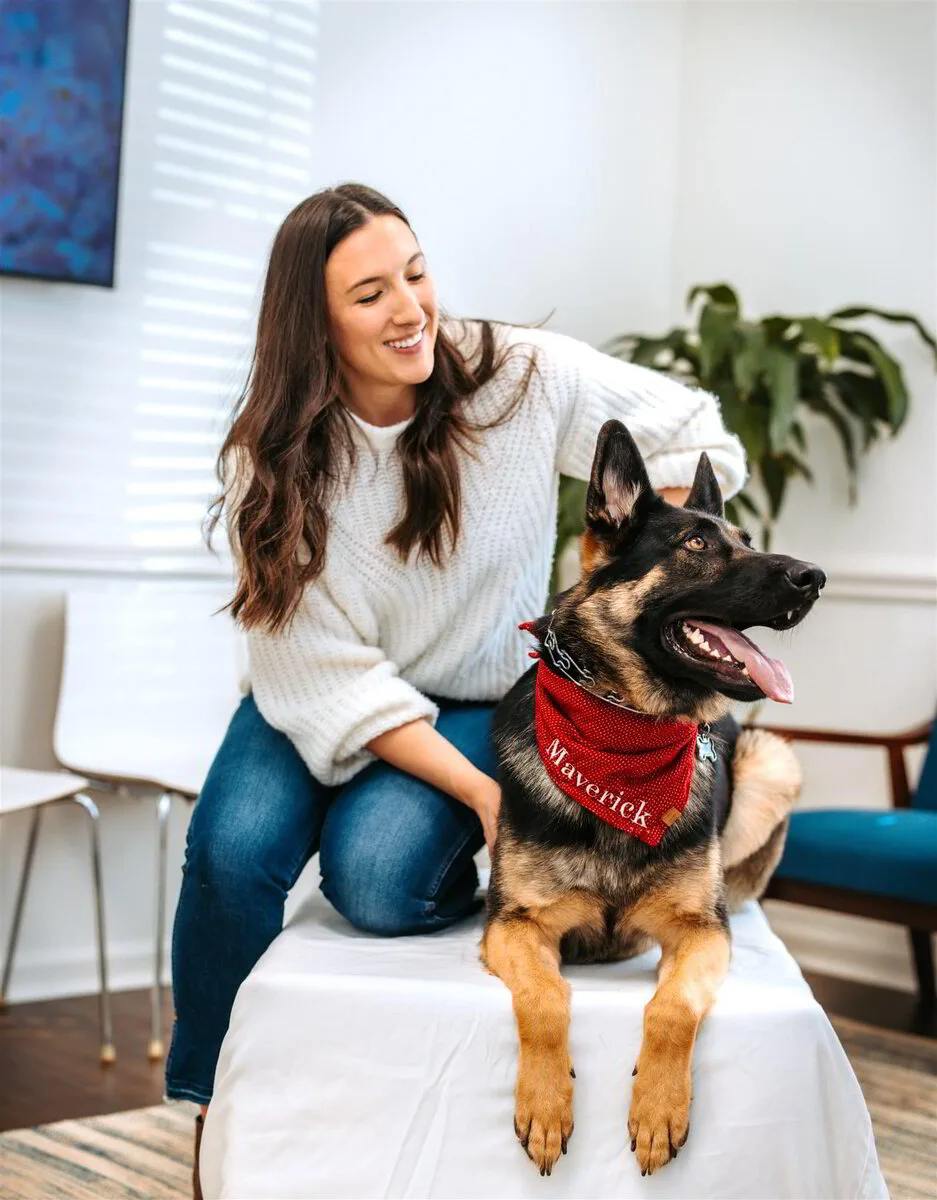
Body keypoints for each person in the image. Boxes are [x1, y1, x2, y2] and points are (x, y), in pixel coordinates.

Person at [165, 183, 747, 1196]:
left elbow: (697, 429)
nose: (410, 310)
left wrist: (663, 540)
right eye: (369, 294)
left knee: (379, 882)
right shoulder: (270, 458)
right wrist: (483, 797)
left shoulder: (519, 378)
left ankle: (382, 815)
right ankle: (216, 1101)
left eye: (418, 273)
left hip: (476, 695)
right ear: (316, 324)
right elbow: (318, 670)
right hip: (316, 695)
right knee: (231, 851)